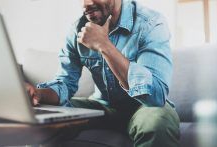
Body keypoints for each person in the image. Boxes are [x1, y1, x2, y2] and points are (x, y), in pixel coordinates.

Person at [25, 0, 180, 146]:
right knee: (43, 118)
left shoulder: (150, 23)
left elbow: (157, 95)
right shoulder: (78, 29)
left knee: (157, 121)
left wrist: (104, 45)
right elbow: (65, 82)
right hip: (102, 106)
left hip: (144, 106)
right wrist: (39, 94)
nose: (87, 4)